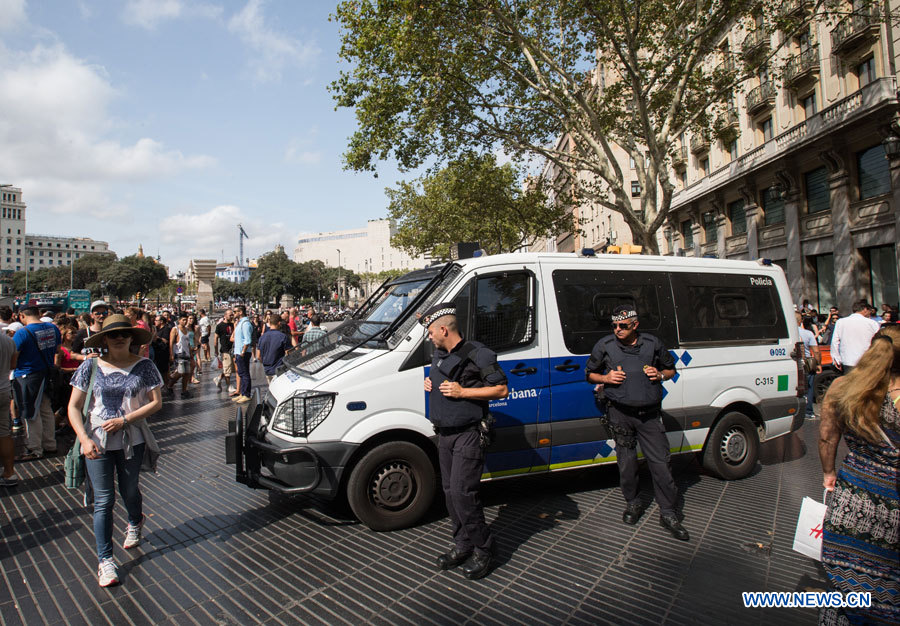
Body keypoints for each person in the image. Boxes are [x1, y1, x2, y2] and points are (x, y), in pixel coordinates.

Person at [68, 314, 163, 587]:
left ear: (132, 336)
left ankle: (135, 520)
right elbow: (74, 407)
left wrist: (126, 420)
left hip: (131, 439)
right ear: (104, 339)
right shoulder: (90, 367)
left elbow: (156, 403)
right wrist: (84, 439)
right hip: (96, 441)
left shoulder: (145, 366)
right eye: (112, 334)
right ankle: (105, 560)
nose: (119, 337)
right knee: (104, 500)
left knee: (129, 489)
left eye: (124, 333)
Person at [585, 304, 688, 541]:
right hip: (620, 414)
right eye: (614, 326)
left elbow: (671, 369)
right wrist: (605, 377)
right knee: (627, 464)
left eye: (623, 326)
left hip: (650, 415)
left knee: (661, 464)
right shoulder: (605, 346)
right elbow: (589, 374)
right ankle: (633, 503)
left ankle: (669, 513)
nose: (618, 330)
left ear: (635, 325)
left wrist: (660, 375)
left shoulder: (652, 344)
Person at [818, 325, 899, 625]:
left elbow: (827, 440)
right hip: (893, 501)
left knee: (842, 587)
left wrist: (829, 474)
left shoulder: (843, 388)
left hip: (851, 497)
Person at [421, 303, 508, 580]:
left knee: (462, 493)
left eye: (431, 332)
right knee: (449, 492)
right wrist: (429, 385)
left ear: (443, 329)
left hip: (469, 434)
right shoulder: (438, 354)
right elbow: (440, 380)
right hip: (444, 435)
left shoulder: (477, 354)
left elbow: (502, 388)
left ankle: (484, 550)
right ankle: (463, 545)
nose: (429, 337)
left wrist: (462, 392)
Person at [12, 307, 62, 461]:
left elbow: (13, 355)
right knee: (45, 409)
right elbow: (58, 350)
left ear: (22, 316)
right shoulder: (53, 328)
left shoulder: (22, 333)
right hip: (46, 373)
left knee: (30, 412)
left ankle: (34, 448)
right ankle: (50, 444)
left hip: (27, 375)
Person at [831, 300, 880, 374]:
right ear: (865, 309)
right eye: (870, 311)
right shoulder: (872, 323)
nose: (870, 314)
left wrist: (836, 359)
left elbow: (835, 341)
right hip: (867, 360)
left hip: (848, 360)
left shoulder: (841, 322)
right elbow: (878, 342)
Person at [0, 328, 18, 486]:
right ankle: (9, 472)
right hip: (4, 390)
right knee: (4, 432)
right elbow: (13, 364)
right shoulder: (8, 341)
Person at [797, 311, 820, 419]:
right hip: (805, 364)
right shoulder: (808, 333)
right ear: (800, 321)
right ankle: (808, 411)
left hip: (792, 364)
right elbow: (815, 351)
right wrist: (818, 363)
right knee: (808, 388)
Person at [256, 315, 291, 384]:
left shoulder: (262, 337)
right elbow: (288, 353)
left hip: (267, 369)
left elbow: (258, 356)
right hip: (279, 370)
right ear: (279, 323)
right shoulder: (283, 336)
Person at [166, 314, 192, 398]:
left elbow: (188, 343)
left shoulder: (187, 329)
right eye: (183, 320)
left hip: (186, 353)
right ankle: (170, 385)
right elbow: (171, 342)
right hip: (178, 353)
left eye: (186, 320)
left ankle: (184, 391)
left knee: (187, 373)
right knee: (180, 372)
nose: (185, 321)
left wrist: (191, 353)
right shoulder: (175, 329)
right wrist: (171, 354)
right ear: (179, 320)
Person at [232, 305, 253, 404]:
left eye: (235, 311)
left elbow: (247, 339)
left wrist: (243, 352)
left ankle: (246, 394)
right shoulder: (240, 323)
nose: (234, 313)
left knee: (244, 374)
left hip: (243, 353)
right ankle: (243, 392)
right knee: (241, 373)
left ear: (240, 312)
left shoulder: (245, 323)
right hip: (238, 352)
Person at [213, 309, 235, 393]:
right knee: (228, 370)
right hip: (225, 350)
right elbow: (215, 338)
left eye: (232, 314)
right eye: (230, 315)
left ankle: (218, 378)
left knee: (229, 369)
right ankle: (229, 386)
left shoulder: (233, 325)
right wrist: (216, 350)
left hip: (232, 349)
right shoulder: (220, 326)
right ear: (225, 315)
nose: (232, 316)